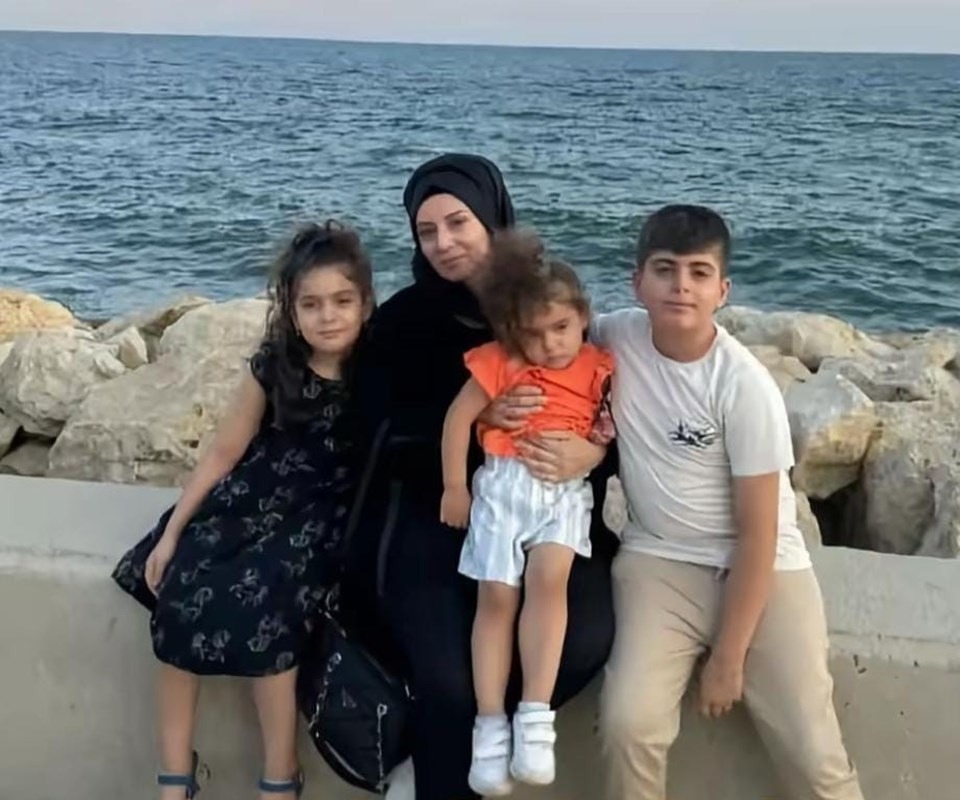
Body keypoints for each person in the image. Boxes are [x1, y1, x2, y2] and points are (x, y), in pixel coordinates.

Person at [342, 153, 618, 800]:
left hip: (546, 502)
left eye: (457, 222)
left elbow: (600, 411)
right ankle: (440, 764)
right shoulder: (403, 322)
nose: (443, 243)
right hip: (436, 510)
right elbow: (375, 431)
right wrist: (475, 423)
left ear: (492, 218)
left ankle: (479, 742)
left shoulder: (544, 306)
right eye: (426, 231)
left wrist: (590, 455)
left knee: (583, 641)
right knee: (448, 678)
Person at [592, 205, 864, 800]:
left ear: (723, 290)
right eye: (664, 269)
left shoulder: (744, 386)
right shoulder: (614, 336)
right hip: (659, 562)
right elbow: (538, 328)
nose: (681, 286)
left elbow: (760, 533)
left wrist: (728, 658)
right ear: (637, 281)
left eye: (698, 272)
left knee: (813, 752)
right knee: (629, 724)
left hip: (762, 567)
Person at [112, 221, 375, 800]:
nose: (328, 316)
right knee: (178, 590)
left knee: (270, 610)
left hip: (319, 520)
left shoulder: (376, 369)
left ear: (365, 301)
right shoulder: (275, 365)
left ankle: (280, 775)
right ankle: (175, 775)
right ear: (291, 310)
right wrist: (173, 531)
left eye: (342, 301)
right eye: (311, 304)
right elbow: (225, 451)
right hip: (250, 499)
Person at [440, 230, 614, 795]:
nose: (549, 344)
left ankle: (535, 717)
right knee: (496, 596)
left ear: (582, 316)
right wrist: (454, 487)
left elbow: (612, 425)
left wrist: (596, 446)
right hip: (503, 488)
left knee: (548, 579)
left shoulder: (598, 365)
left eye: (561, 327)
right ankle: (490, 724)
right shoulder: (500, 361)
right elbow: (457, 418)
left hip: (563, 493)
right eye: (533, 334)